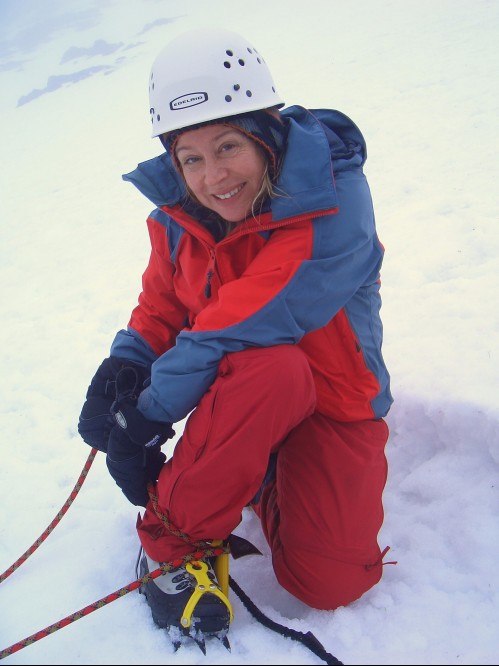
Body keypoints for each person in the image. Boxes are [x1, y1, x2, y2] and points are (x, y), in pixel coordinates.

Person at [78, 27, 393, 643]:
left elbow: (239, 325)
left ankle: (261, 472)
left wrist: (144, 414)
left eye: (228, 147)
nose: (212, 176)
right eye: (190, 158)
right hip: (255, 390)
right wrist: (127, 362)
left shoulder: (335, 208)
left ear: (267, 132)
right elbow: (163, 305)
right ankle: (171, 551)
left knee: (330, 583)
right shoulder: (177, 219)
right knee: (272, 373)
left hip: (334, 404)